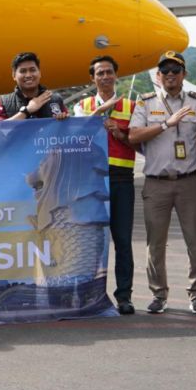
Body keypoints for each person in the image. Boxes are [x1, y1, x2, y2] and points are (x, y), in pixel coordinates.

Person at [128, 51, 196, 314]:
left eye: (176, 70)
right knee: (155, 243)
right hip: (156, 182)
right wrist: (165, 124)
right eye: (166, 71)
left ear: (184, 75)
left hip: (188, 180)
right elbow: (134, 135)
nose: (171, 75)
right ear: (158, 76)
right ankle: (158, 294)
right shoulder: (145, 102)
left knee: (195, 241)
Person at [72, 56, 137, 313]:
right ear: (93, 78)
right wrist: (98, 116)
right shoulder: (83, 106)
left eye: (109, 72)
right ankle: (89, 294)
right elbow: (76, 136)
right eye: (100, 73)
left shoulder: (132, 106)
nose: (105, 77)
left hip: (122, 178)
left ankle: (124, 296)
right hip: (93, 179)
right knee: (91, 241)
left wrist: (120, 133)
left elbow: (140, 144)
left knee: (122, 240)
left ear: (116, 76)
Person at [0, 52, 69, 121]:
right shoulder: (2, 102)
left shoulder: (56, 100)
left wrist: (64, 120)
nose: (28, 75)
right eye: (23, 71)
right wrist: (27, 111)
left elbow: (68, 130)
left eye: (32, 70)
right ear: (14, 75)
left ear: (40, 73)